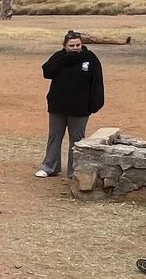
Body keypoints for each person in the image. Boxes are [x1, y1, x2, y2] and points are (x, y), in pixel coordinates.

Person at [38, 31, 105, 179]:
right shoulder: (59, 57)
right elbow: (47, 72)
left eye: (78, 45)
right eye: (71, 45)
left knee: (77, 139)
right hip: (58, 105)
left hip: (80, 108)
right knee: (55, 136)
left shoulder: (90, 58)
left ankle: (75, 170)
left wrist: (95, 104)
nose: (75, 48)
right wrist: (66, 58)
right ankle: (50, 167)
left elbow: (97, 83)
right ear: (65, 46)